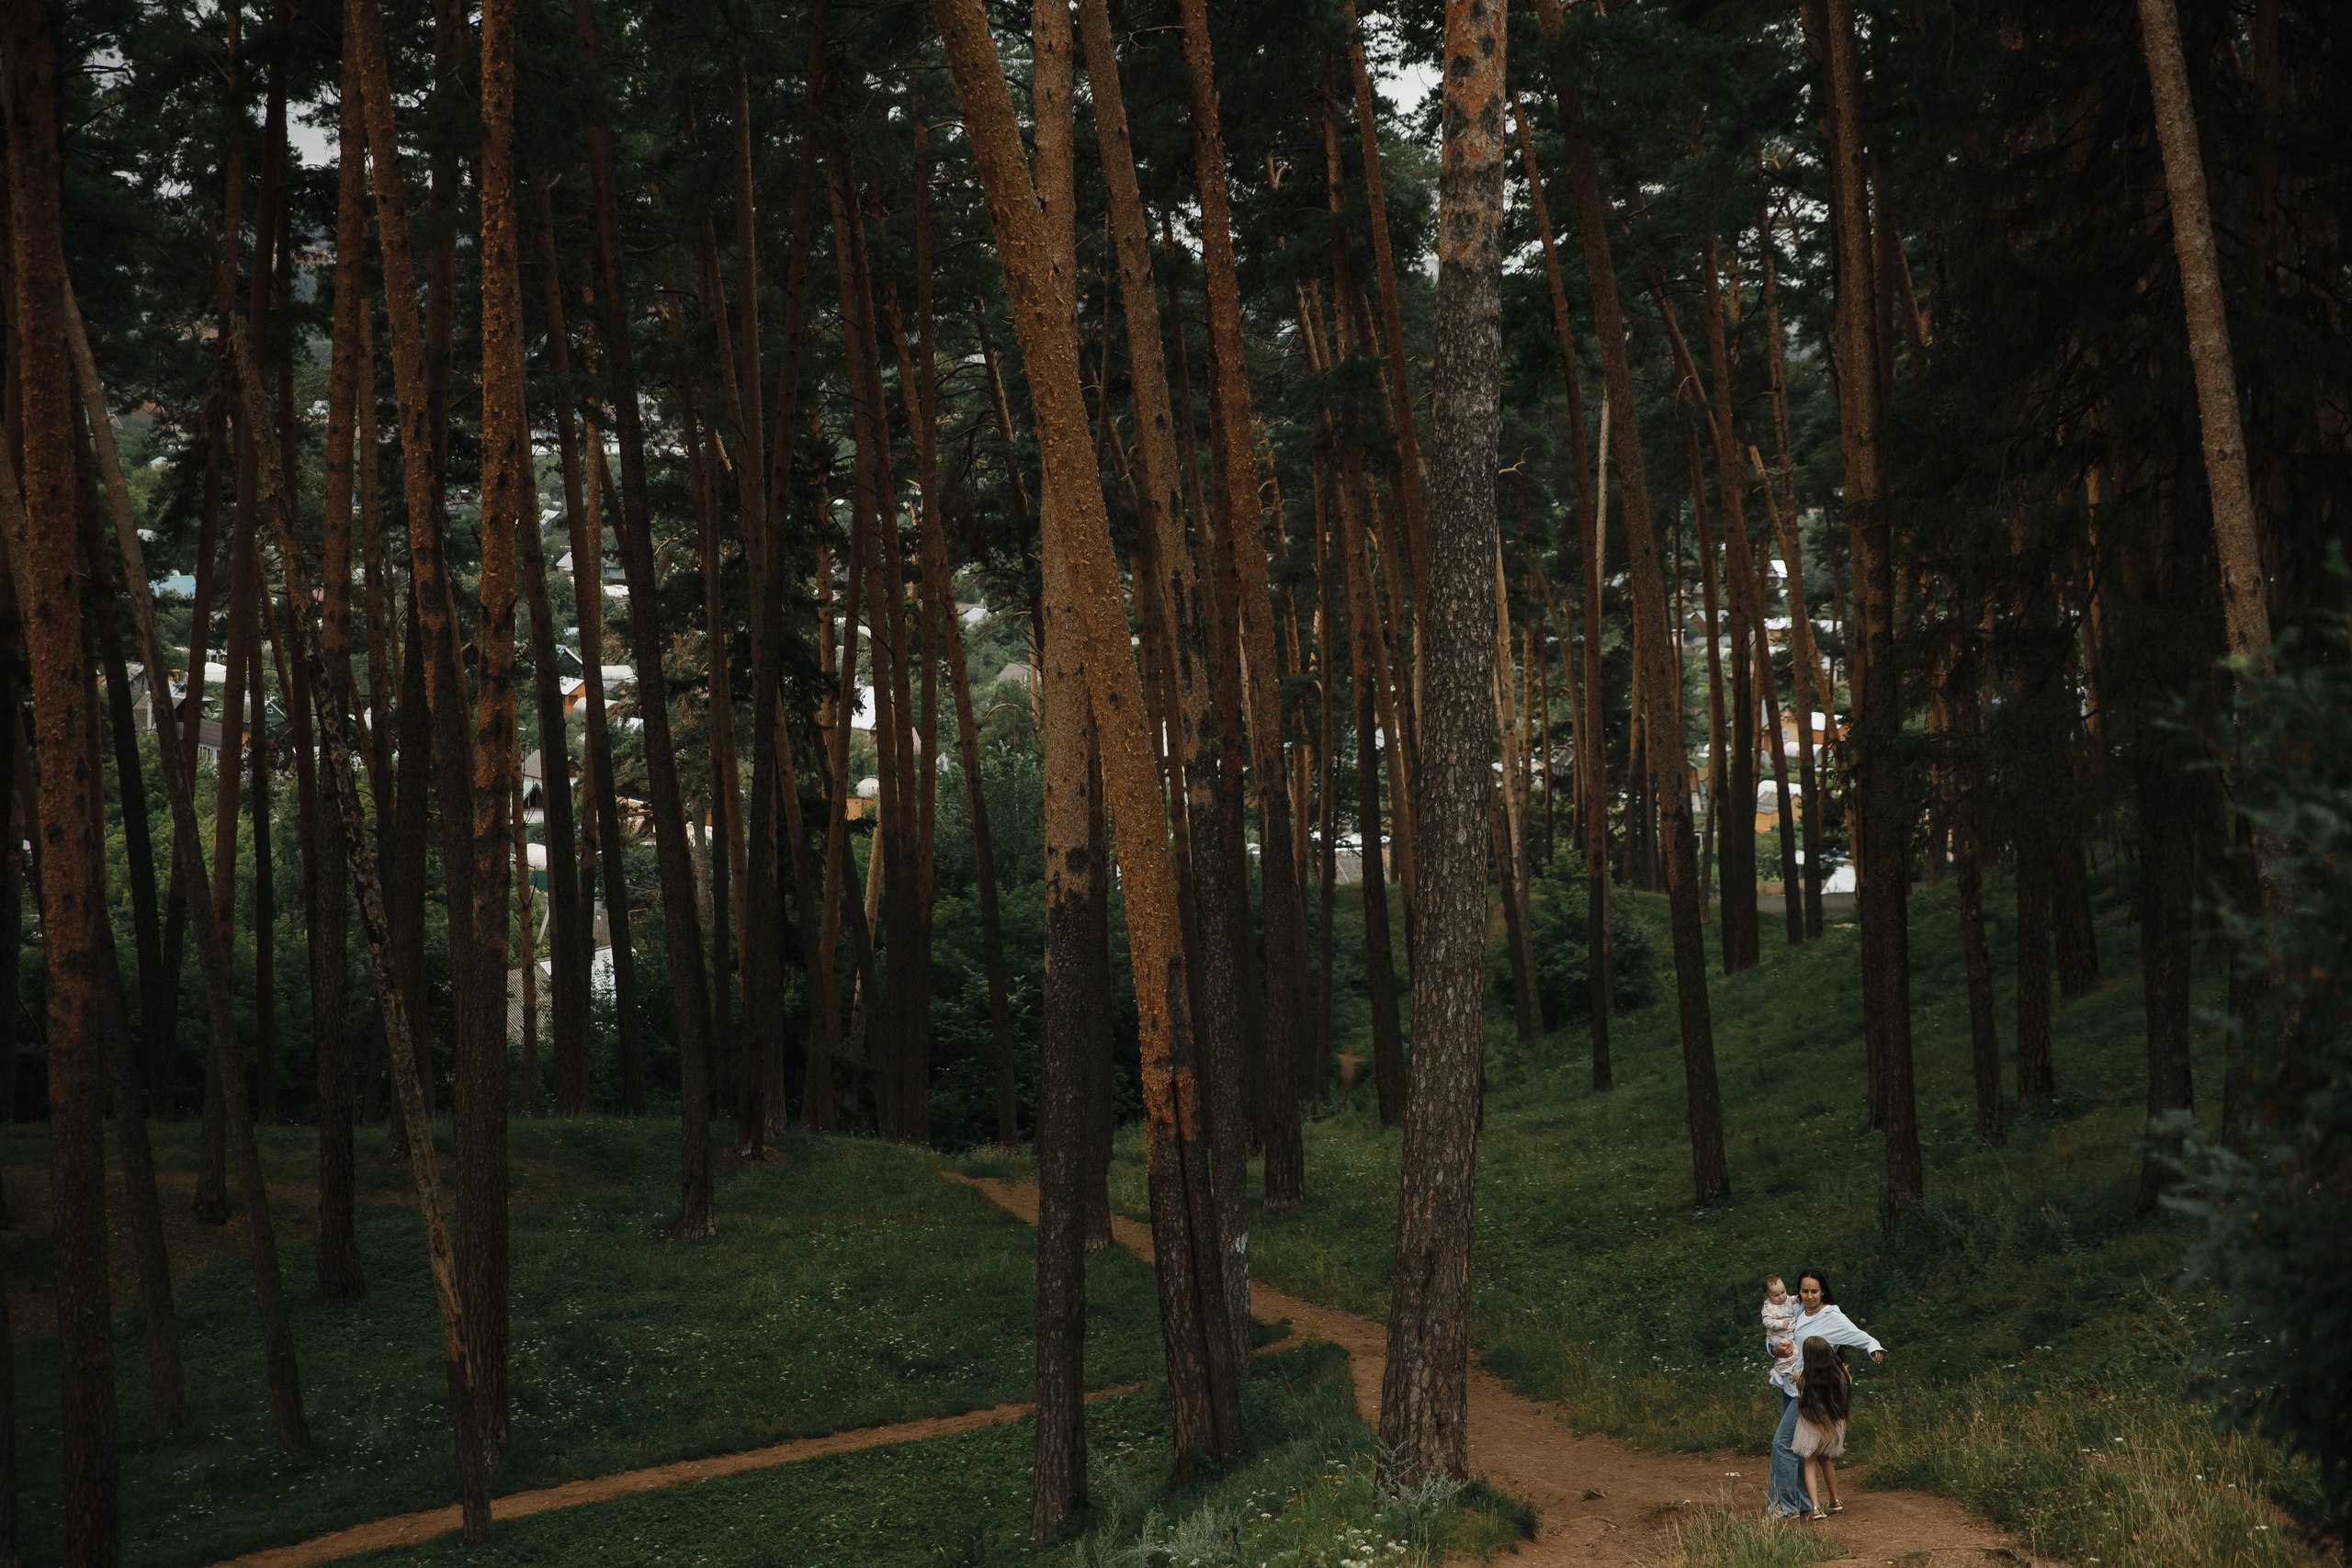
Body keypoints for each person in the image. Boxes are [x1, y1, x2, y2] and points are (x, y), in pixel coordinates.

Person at [1766, 1269, 1883, 1517]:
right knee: (1797, 1447)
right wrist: (1775, 1350)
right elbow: (1775, 1336)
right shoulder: (1795, 1309)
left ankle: (1786, 1506)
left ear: (1823, 1291)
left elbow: (1860, 1336)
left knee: (1782, 1444)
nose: (1809, 1296)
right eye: (1804, 1291)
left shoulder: (1832, 1317)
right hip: (1790, 1384)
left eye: (1814, 1291)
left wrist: (1873, 1348)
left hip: (1808, 1390)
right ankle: (1803, 1502)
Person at [1792, 1336, 1851, 1519]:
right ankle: (1834, 1500)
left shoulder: (1807, 1379)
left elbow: (1801, 1388)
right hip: (1833, 1422)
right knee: (1825, 1460)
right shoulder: (1839, 1376)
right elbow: (1847, 1382)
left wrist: (1796, 1379)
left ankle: (1816, 1508)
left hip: (1812, 1423)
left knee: (1809, 1463)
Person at [1760, 1274, 1799, 1387]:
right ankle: (1779, 1372)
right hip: (1778, 1335)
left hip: (1787, 1333)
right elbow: (1767, 1322)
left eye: (1783, 1292)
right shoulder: (1768, 1307)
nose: (1781, 1297)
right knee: (1790, 1352)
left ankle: (1780, 1370)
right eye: (1776, 1295)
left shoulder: (1786, 1300)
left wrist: (1798, 1298)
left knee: (1793, 1353)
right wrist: (1780, 1324)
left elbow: (1792, 1299)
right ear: (1767, 1295)